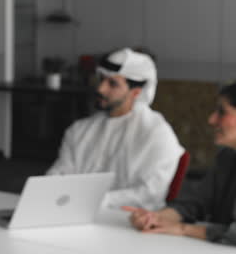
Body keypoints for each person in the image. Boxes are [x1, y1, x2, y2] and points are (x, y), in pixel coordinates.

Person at [46, 47, 184, 210]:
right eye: (102, 79)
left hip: (129, 225)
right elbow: (59, 175)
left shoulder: (157, 134)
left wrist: (94, 201)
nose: (100, 89)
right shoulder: (79, 130)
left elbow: (149, 194)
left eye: (112, 84)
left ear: (136, 92)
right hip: (72, 213)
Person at [125, 82, 236, 245]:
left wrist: (183, 229)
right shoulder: (226, 157)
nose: (211, 120)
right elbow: (196, 202)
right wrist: (157, 218)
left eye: (222, 112)